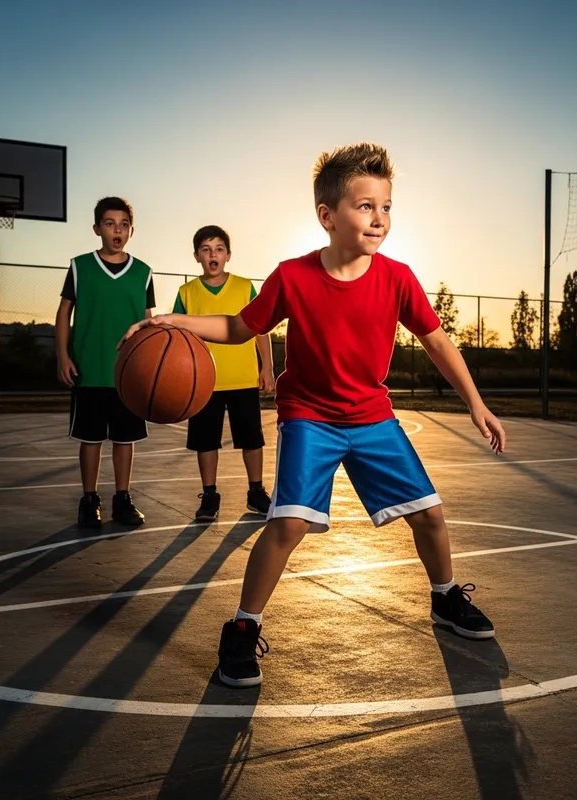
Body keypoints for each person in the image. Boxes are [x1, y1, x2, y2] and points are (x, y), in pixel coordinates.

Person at [120, 143, 506, 688]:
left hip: (372, 416)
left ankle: (445, 597)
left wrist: (476, 403)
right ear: (327, 215)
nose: (379, 218)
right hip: (309, 417)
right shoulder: (293, 276)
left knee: (430, 515)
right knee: (288, 524)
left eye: (387, 207)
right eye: (365, 206)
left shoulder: (398, 278)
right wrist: (172, 321)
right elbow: (239, 327)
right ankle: (242, 627)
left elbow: (438, 342)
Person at [56, 196, 155, 529]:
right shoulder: (80, 267)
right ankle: (89, 500)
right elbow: (63, 313)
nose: (117, 230)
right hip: (89, 367)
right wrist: (63, 355)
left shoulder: (143, 272)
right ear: (97, 228)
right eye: (110, 224)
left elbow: (147, 321)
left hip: (128, 372)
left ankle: (122, 499)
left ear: (131, 231)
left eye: (124, 225)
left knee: (125, 439)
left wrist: (149, 365)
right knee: (91, 438)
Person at [173, 225, 275, 521]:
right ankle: (209, 495)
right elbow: (177, 336)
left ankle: (256, 491)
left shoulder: (244, 287)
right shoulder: (187, 293)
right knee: (206, 441)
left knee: (252, 439)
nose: (212, 255)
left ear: (228, 255)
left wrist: (267, 367)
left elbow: (260, 329)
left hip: (242, 377)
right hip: (203, 381)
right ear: (197, 256)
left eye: (218, 249)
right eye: (206, 250)